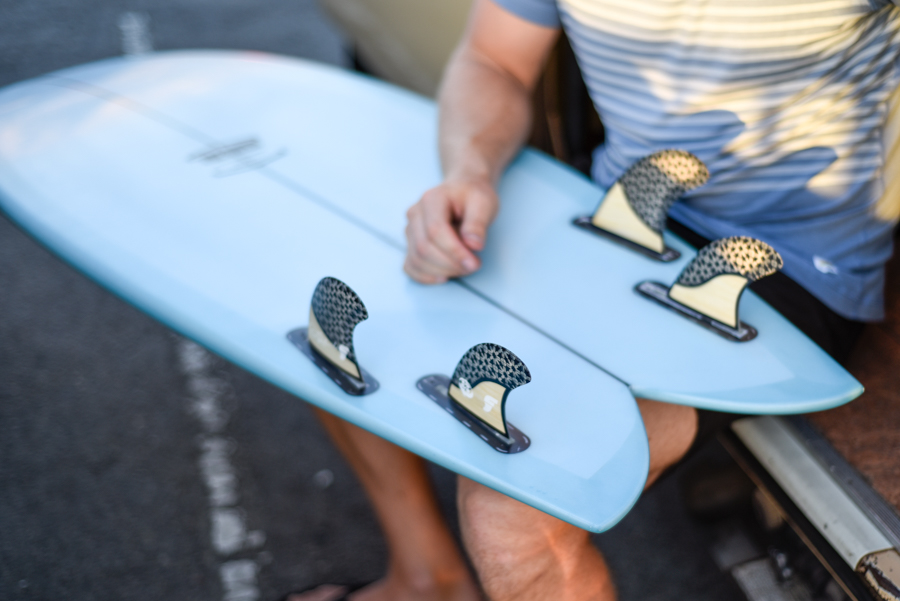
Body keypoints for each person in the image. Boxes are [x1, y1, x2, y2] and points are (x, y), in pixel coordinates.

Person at [291, 0, 900, 599]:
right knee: (352, 325)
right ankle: (427, 578)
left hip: (789, 262)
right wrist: (469, 174)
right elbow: (492, 58)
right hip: (614, 213)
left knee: (514, 504)